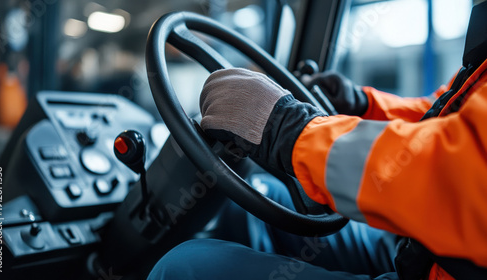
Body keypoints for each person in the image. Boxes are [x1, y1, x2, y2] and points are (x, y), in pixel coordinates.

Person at [148, 1, 487, 279]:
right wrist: (363, 106)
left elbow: (463, 175)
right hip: (426, 249)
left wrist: (290, 130)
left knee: (182, 269)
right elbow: (448, 116)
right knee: (246, 206)